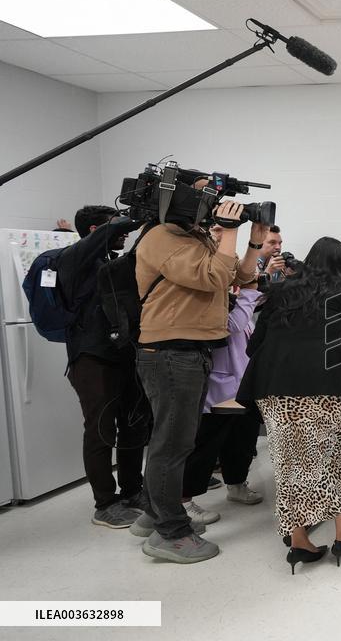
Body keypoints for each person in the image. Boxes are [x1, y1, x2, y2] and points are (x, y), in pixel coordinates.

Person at [237, 237, 341, 575]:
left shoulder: (281, 290)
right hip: (323, 387)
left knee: (287, 464)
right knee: (334, 461)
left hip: (275, 389)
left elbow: (253, 345)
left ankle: (299, 542)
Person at [128, 187, 262, 564]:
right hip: (170, 351)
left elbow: (243, 277)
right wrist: (229, 228)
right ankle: (170, 532)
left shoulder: (194, 237)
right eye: (208, 195)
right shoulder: (160, 236)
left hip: (189, 351)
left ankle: (155, 514)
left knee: (174, 441)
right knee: (172, 444)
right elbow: (213, 279)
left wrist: (253, 240)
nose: (216, 203)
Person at [60, 205, 148, 528]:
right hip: (92, 360)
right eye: (116, 226)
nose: (123, 232)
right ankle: (105, 503)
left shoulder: (112, 261)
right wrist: (136, 215)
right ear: (95, 231)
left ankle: (132, 490)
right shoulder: (76, 259)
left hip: (123, 354)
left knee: (133, 425)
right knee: (101, 431)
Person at [178, 224, 266, 527]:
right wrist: (249, 295)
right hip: (220, 385)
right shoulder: (206, 292)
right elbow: (226, 328)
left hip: (243, 385)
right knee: (205, 445)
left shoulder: (232, 294)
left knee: (241, 440)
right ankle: (184, 501)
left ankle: (236, 484)